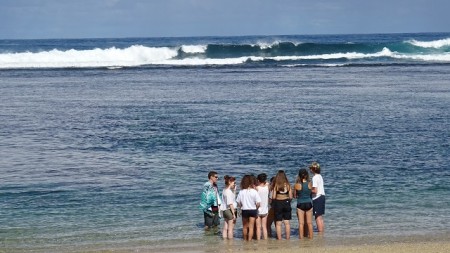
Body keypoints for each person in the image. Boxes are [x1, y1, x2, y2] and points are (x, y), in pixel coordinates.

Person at [236, 175, 261, 241]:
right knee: (251, 227)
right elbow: (258, 203)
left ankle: (245, 240)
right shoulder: (254, 191)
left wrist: (241, 206)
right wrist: (256, 208)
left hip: (245, 210)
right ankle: (249, 240)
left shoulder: (241, 192)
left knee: (244, 227)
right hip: (253, 210)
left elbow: (238, 203)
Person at [272, 170, 293, 240]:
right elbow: (290, 196)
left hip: (278, 203)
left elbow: (273, 197)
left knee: (278, 223)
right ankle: (288, 238)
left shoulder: (276, 185)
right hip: (286, 203)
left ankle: (279, 238)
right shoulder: (288, 185)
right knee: (287, 223)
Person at [294, 168, 313, 239]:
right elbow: (311, 193)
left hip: (300, 204)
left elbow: (295, 196)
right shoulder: (310, 184)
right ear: (306, 175)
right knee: (309, 223)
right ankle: (311, 238)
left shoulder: (297, 185)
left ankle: (301, 238)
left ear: (299, 175)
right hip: (308, 203)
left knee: (301, 223)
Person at [310, 162, 326, 232]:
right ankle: (322, 232)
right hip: (322, 196)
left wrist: (308, 190)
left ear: (313, 169)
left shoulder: (314, 178)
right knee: (320, 216)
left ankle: (320, 232)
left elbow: (315, 190)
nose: (310, 170)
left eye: (311, 169)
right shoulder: (320, 176)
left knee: (317, 217)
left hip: (317, 198)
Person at [221, 175, 237, 239]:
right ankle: (230, 243)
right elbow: (230, 204)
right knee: (230, 229)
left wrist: (234, 190)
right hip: (230, 210)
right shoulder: (229, 192)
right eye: (234, 183)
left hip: (225, 210)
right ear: (230, 182)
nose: (235, 184)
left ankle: (224, 240)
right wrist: (233, 214)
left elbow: (231, 198)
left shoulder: (224, 190)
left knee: (225, 227)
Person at [255, 173, 269, 240]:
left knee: (258, 227)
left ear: (258, 180)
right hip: (265, 210)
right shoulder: (267, 187)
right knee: (264, 227)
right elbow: (268, 184)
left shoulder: (257, 188)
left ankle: (258, 240)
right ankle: (265, 240)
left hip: (258, 210)